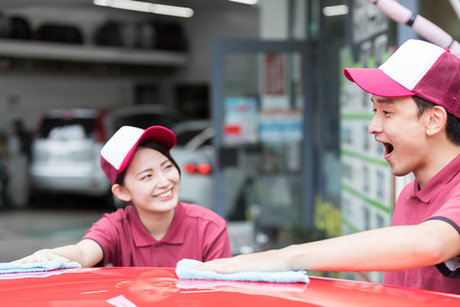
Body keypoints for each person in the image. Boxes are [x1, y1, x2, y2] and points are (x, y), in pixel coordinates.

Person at [198, 39, 460, 294]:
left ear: (434, 120)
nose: (373, 127)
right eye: (374, 111)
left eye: (387, 112)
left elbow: (431, 243)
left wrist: (286, 257)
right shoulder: (409, 195)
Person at [15, 125, 232, 267]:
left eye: (167, 167)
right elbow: (83, 252)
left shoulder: (209, 227)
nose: (164, 182)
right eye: (147, 176)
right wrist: (48, 255)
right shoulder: (116, 227)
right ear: (122, 191)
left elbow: (220, 290)